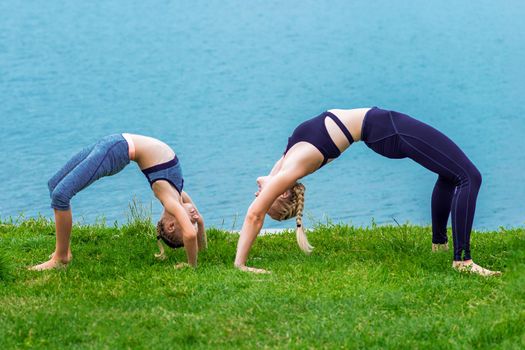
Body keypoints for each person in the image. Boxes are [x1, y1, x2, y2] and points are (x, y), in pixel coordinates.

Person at [234, 107, 501, 276]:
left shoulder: (285, 163)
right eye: (266, 199)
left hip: (384, 127)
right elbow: (254, 216)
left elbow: (264, 180)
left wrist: (266, 185)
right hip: (389, 131)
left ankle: (439, 244)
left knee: (449, 173)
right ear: (282, 193)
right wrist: (240, 264)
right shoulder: (293, 169)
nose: (258, 195)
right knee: (469, 177)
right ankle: (463, 261)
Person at [30, 133, 206, 271]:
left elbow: (189, 235)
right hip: (112, 142)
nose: (195, 217)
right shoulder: (179, 194)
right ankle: (62, 251)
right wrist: (202, 249)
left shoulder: (170, 201)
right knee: (54, 185)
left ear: (171, 226)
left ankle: (61, 258)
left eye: (190, 221)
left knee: (60, 195)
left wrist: (191, 266)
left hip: (116, 151)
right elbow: (199, 223)